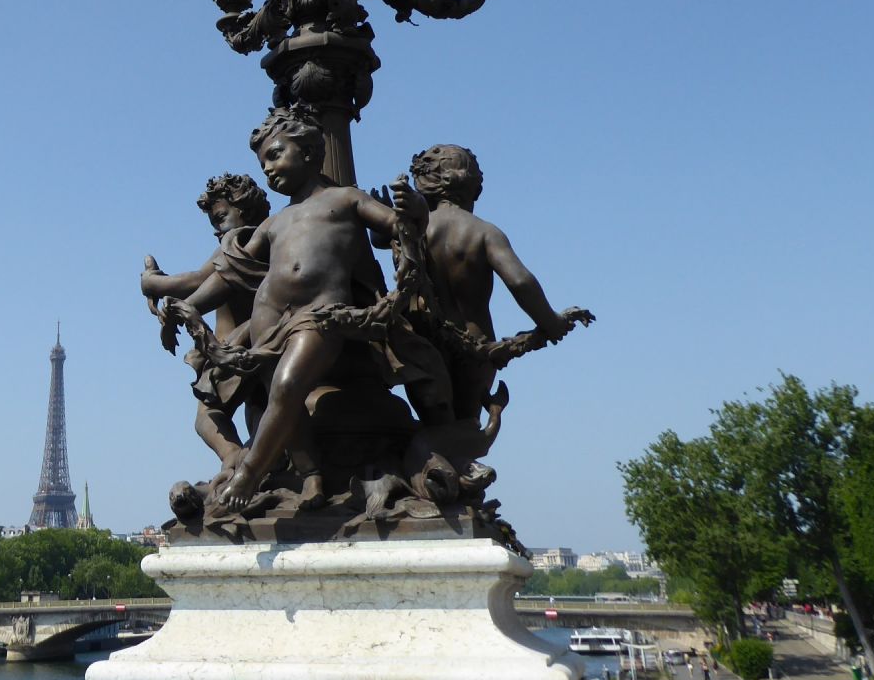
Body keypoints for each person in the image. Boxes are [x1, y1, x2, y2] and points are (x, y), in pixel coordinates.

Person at [175, 106, 443, 511]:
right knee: (283, 400)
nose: (268, 169)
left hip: (320, 316)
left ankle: (249, 472)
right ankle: (310, 474)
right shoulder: (274, 222)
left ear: (310, 152)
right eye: (262, 163)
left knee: (287, 387)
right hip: (268, 322)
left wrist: (416, 208)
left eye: (275, 154)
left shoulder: (346, 199)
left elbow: (398, 226)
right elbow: (230, 273)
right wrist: (186, 306)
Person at [409, 145, 590, 422]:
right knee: (466, 427)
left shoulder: (413, 230)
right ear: (473, 188)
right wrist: (551, 322)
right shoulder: (484, 232)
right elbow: (520, 281)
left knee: (433, 427)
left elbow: (383, 240)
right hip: (476, 347)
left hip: (424, 344)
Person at [141, 174, 277, 483]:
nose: (216, 228)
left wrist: (152, 282)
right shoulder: (270, 244)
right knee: (259, 409)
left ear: (244, 209)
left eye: (220, 217)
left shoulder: (239, 242)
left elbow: (196, 280)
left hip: (234, 348)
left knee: (206, 417)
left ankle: (234, 460)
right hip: (255, 342)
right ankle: (257, 461)